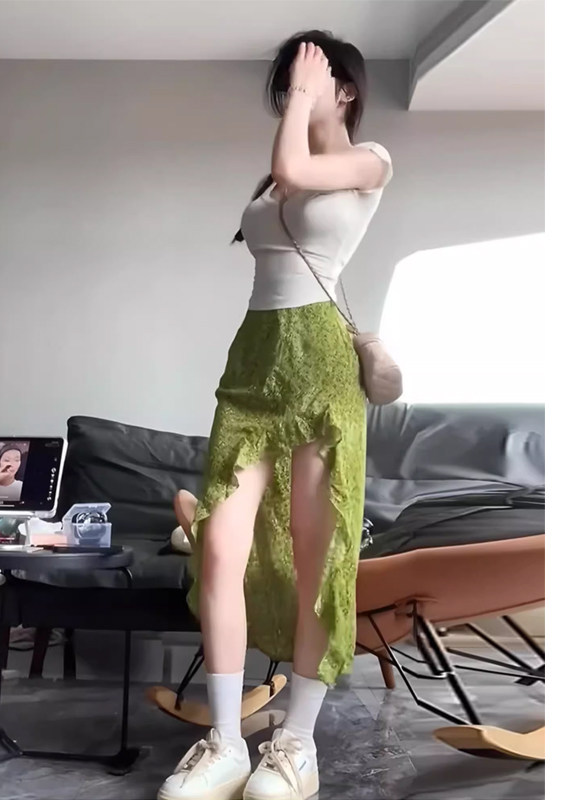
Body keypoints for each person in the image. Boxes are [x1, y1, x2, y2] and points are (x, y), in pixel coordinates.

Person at [158, 31, 394, 800]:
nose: (294, 90)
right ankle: (226, 743)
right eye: (289, 82)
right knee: (221, 549)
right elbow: (284, 177)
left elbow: (296, 167)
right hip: (253, 363)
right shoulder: (277, 176)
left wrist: (299, 96)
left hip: (321, 368)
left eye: (311, 77)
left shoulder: (370, 161)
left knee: (316, 559)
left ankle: (296, 745)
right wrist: (297, 98)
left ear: (346, 89)